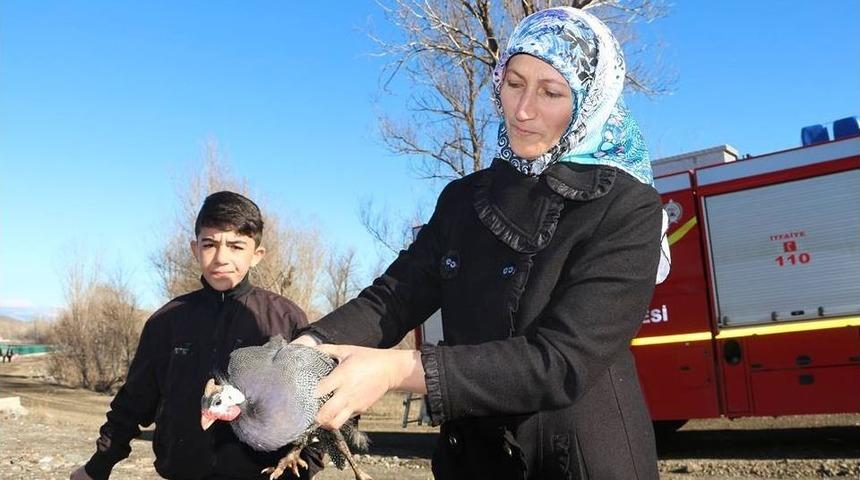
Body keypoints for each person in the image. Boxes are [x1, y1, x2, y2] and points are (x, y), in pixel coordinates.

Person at [293, 7, 671, 480]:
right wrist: (304, 350)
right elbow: (394, 298)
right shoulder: (465, 200)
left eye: (550, 92)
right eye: (514, 83)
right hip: (475, 460)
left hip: (579, 459)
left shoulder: (627, 207)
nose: (522, 110)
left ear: (591, 101)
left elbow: (561, 362)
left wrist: (394, 370)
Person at [71, 191, 323, 480]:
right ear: (194, 249)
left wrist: (305, 467)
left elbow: (321, 404)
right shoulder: (167, 320)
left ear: (257, 255)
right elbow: (134, 401)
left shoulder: (285, 318)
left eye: (236, 246)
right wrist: (98, 466)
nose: (221, 258)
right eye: (210, 244)